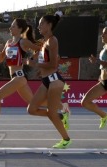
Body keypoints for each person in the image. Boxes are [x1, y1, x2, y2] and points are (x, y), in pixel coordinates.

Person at [0, 19, 45, 134]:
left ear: (20, 29)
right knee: (34, 104)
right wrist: (0, 52)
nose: (10, 28)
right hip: (15, 78)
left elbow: (40, 49)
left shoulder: (23, 42)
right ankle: (60, 110)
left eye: (13, 26)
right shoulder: (8, 42)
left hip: (19, 77)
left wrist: (29, 61)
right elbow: (0, 60)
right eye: (10, 26)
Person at [27, 15, 72, 149]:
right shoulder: (44, 42)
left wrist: (35, 65)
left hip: (54, 80)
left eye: (41, 24)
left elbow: (52, 64)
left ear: (49, 25)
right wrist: (38, 66)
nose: (39, 27)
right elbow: (45, 62)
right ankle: (61, 114)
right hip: (46, 80)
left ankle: (66, 139)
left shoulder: (52, 41)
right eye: (39, 24)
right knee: (31, 109)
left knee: (50, 113)